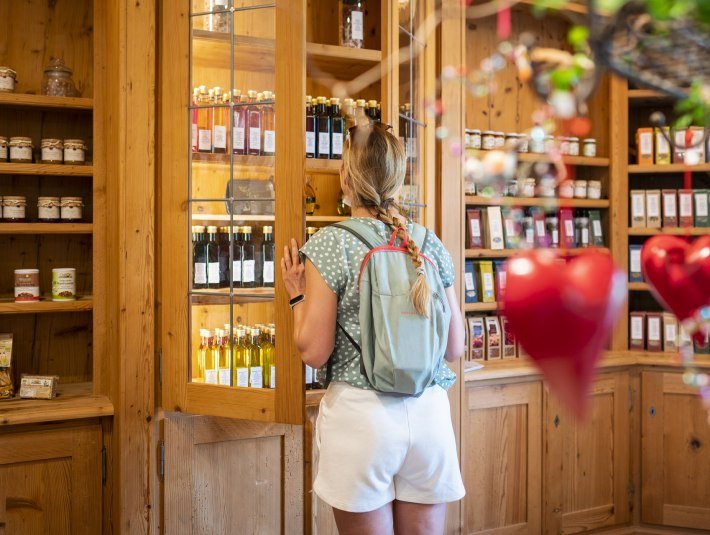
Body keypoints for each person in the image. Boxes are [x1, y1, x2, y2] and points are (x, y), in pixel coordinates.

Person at [281, 123, 465, 535]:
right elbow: (455, 346)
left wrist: (297, 296)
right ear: (399, 178)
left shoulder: (332, 242)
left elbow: (314, 351)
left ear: (345, 179)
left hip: (362, 421)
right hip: (429, 414)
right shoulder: (428, 243)